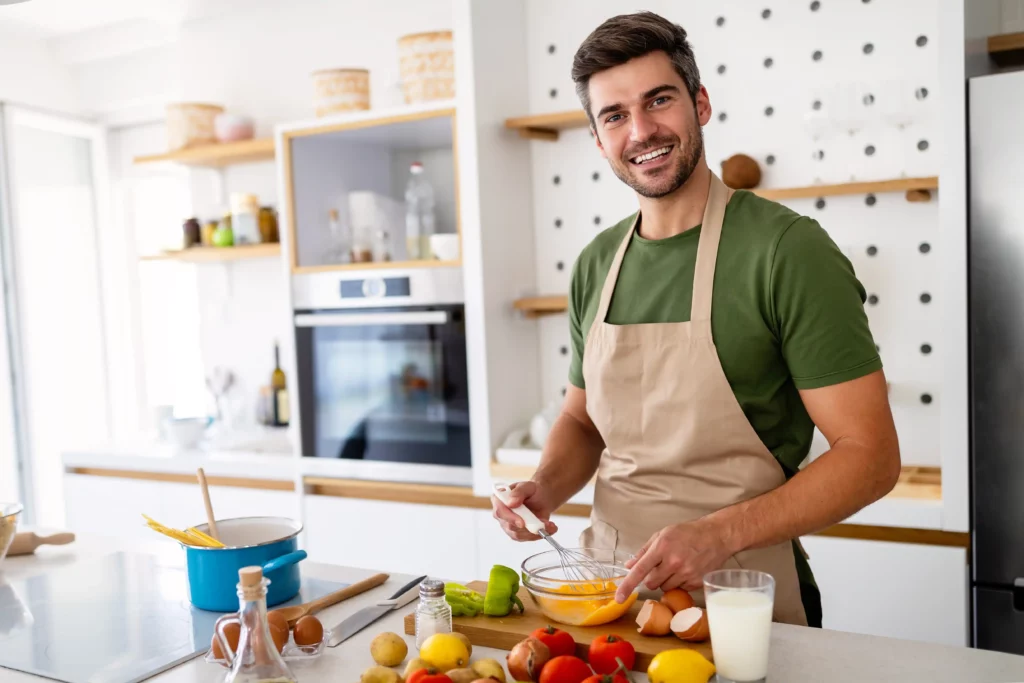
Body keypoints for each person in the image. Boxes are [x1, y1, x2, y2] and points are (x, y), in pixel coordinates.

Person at [490, 10, 900, 628]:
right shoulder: (596, 263)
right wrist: (544, 487)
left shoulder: (787, 251)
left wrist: (718, 534)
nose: (642, 130)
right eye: (615, 115)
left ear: (700, 103)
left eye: (660, 100)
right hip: (606, 597)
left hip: (739, 596)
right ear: (598, 139)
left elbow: (870, 456)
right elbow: (581, 420)